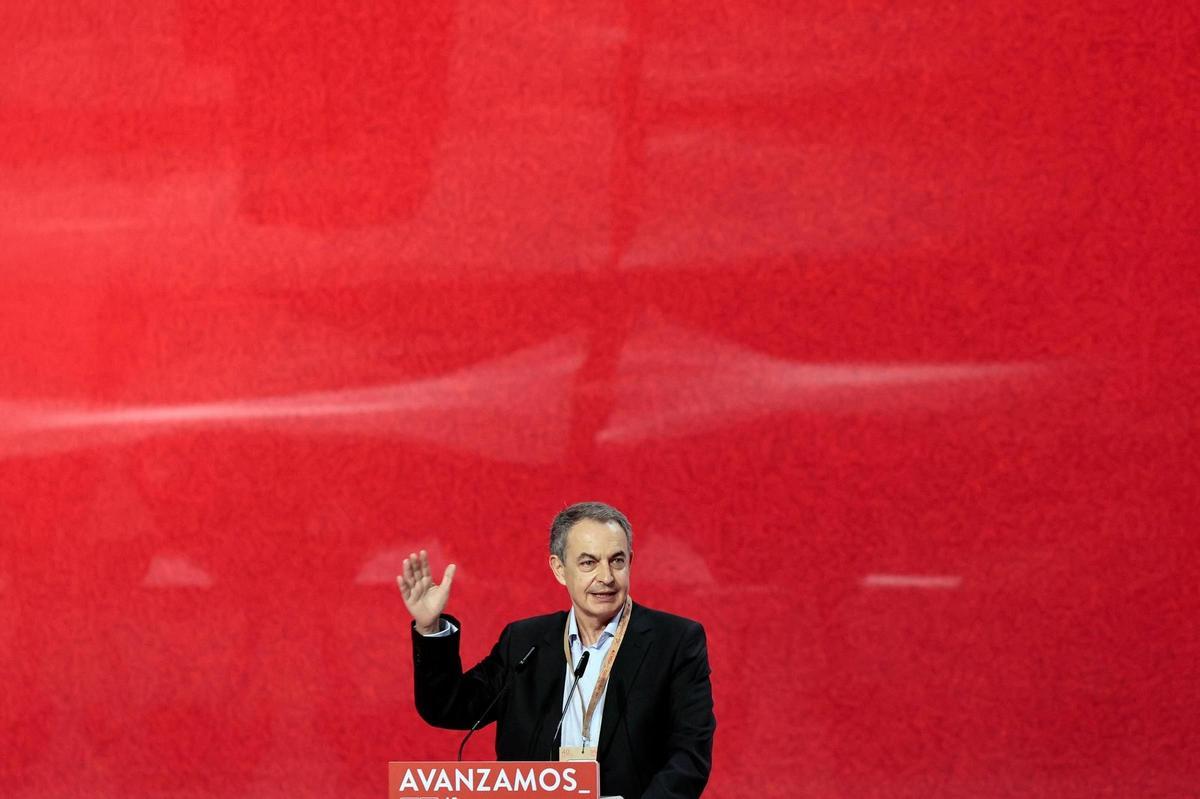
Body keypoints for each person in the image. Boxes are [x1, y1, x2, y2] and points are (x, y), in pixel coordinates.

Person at [398, 501, 716, 799]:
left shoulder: (674, 641)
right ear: (560, 569)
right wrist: (429, 629)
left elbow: (690, 757)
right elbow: (449, 707)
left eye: (617, 561)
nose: (606, 577)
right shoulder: (525, 641)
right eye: (589, 562)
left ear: (630, 562)